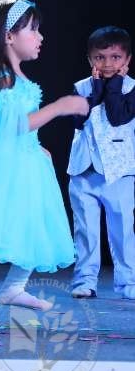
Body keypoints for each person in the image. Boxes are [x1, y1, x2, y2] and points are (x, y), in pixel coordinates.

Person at [0, 0, 89, 329]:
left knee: (34, 224)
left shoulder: (17, 77)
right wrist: (60, 107)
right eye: (33, 30)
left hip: (24, 162)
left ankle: (13, 288)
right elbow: (14, 124)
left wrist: (37, 147)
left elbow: (18, 127)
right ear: (9, 36)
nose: (40, 37)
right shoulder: (2, 76)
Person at [67, 26, 135, 300]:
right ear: (90, 59)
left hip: (119, 172)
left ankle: (128, 282)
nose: (107, 63)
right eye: (100, 57)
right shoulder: (81, 87)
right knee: (85, 231)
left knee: (123, 230)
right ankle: (84, 280)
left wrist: (114, 85)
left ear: (127, 60)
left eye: (115, 57)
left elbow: (118, 117)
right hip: (84, 170)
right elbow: (78, 119)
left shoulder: (131, 88)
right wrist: (95, 91)